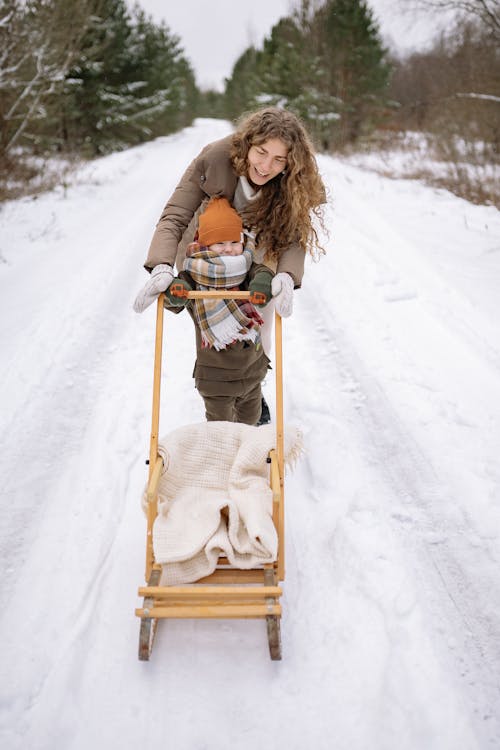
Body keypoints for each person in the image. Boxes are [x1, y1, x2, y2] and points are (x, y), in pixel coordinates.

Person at [133, 106, 327, 419]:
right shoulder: (215, 158)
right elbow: (175, 215)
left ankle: (253, 388)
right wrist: (162, 265)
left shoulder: (294, 178)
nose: (266, 166)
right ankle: (219, 389)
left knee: (257, 321)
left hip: (258, 247)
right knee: (214, 321)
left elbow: (294, 235)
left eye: (279, 159)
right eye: (262, 152)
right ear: (248, 143)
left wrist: (288, 275)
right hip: (208, 249)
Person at [165, 196, 274, 426]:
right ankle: (222, 458)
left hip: (251, 370)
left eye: (234, 242)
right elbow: (173, 300)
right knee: (220, 428)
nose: (229, 249)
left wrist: (262, 282)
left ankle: (247, 457)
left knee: (250, 420)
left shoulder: (247, 267)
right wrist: (177, 291)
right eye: (220, 243)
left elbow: (262, 272)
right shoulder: (193, 273)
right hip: (216, 377)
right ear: (205, 245)